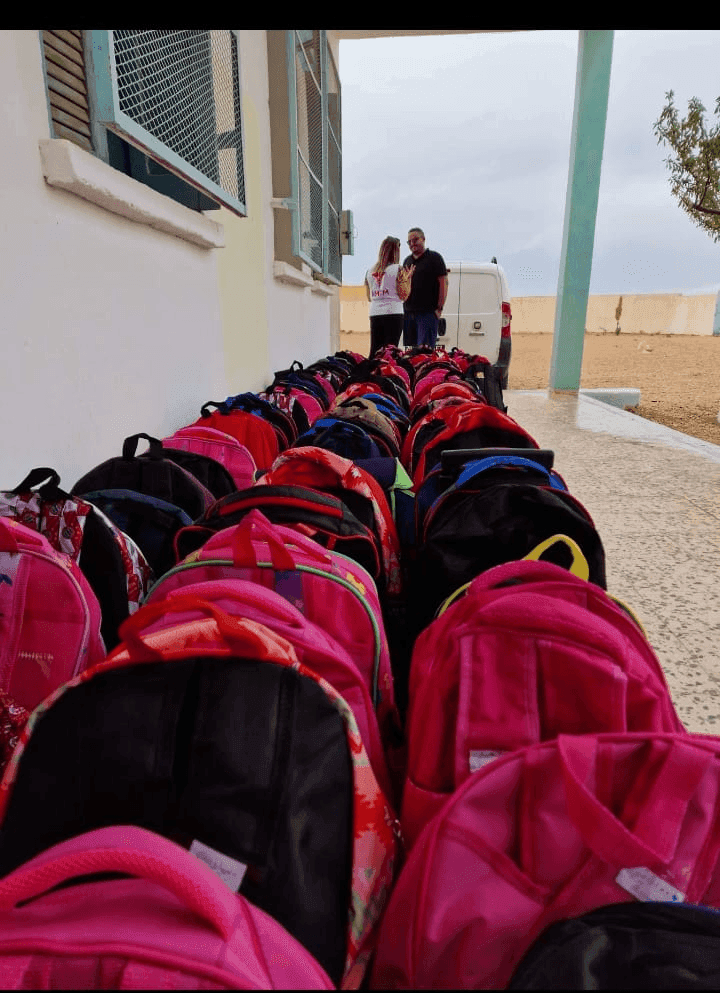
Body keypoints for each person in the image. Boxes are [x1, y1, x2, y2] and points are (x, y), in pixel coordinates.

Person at [365, 236, 414, 356]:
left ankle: (372, 372)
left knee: (375, 350)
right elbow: (404, 295)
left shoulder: (369, 271)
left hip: (375, 312)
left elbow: (368, 297)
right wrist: (408, 279)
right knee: (390, 351)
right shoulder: (398, 269)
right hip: (393, 312)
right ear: (396, 251)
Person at [402, 228, 448, 349]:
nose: (412, 244)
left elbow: (443, 283)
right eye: (409, 242)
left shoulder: (434, 258)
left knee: (425, 351)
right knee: (410, 353)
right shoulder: (407, 261)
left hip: (427, 314)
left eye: (415, 240)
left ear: (423, 239)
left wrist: (439, 308)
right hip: (409, 314)